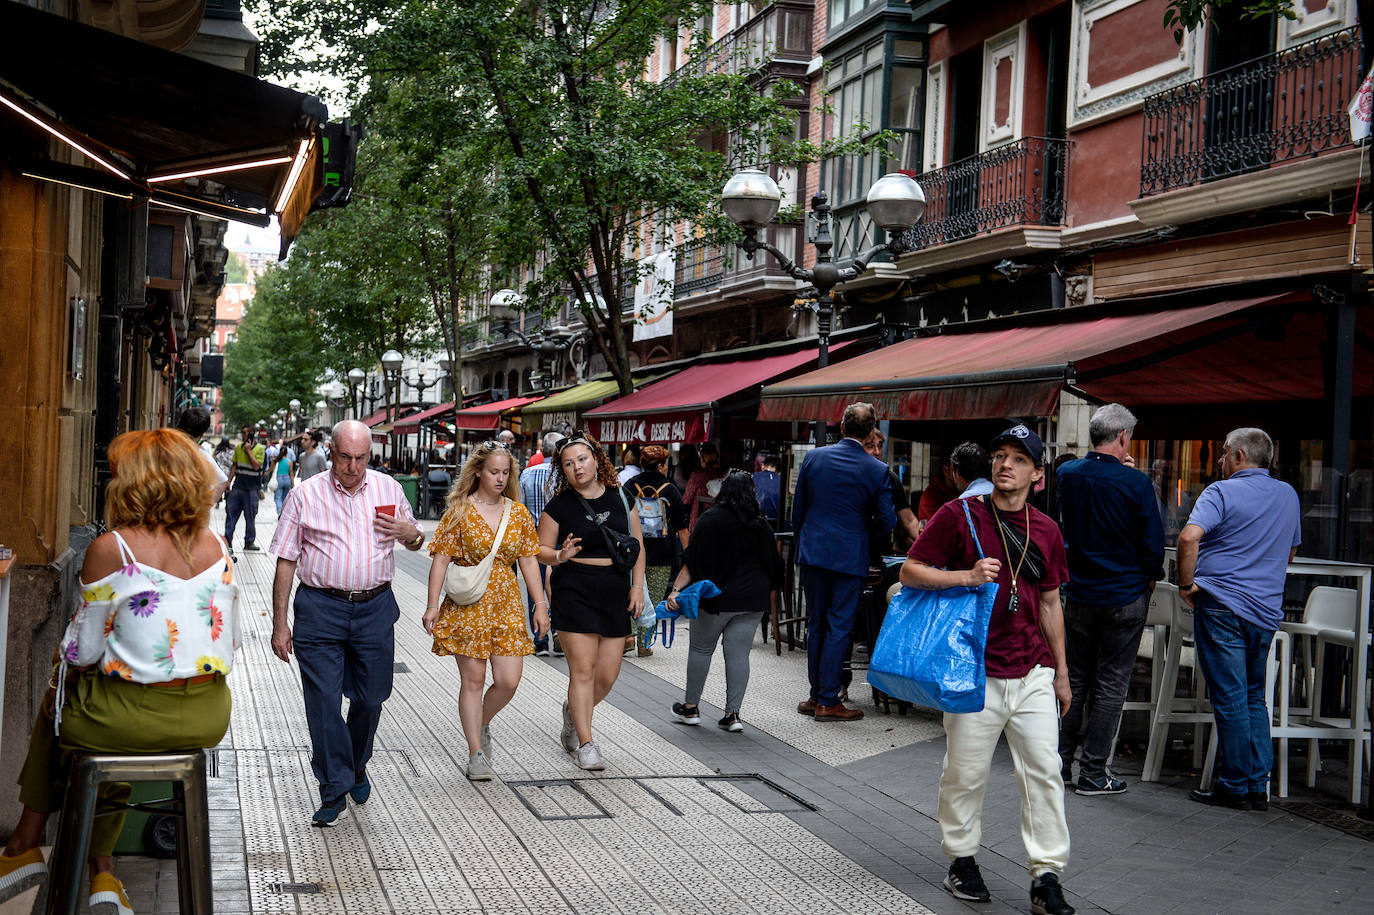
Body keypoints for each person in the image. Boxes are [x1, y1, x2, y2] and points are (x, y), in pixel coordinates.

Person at [0, 429, 238, 912]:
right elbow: (227, 641)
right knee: (101, 712)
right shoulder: (218, 546)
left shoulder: (115, 548)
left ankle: (28, 845)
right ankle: (100, 874)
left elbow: (80, 652)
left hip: (125, 719)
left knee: (67, 693)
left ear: (136, 482)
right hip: (207, 715)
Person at [901, 424, 1074, 915]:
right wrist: (966, 576)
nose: (1005, 465)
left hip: (1033, 669)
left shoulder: (1047, 530)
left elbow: (1050, 603)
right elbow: (910, 570)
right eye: (1000, 455)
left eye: (1019, 459)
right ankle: (961, 859)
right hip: (971, 671)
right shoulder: (960, 516)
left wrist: (1061, 672)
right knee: (965, 773)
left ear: (1037, 475)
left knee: (1044, 770)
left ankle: (1046, 876)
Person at [268, 420, 427, 826]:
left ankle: (357, 764)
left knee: (371, 697)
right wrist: (280, 623)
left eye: (361, 458)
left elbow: (414, 540)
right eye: (345, 457)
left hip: (374, 608)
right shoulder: (305, 495)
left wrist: (412, 533)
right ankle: (333, 785)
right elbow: (286, 559)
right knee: (322, 701)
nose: (353, 466)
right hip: (320, 608)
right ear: (332, 452)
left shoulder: (389, 489)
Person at [1177, 427, 1299, 810]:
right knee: (1252, 697)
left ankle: (1234, 785)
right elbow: (1290, 554)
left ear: (1240, 457)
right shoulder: (1288, 495)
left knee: (1230, 697)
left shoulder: (1220, 492)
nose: (1220, 460)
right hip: (1264, 611)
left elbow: (1188, 538)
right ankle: (1255, 787)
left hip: (1222, 606)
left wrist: (1186, 584)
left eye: (1224, 453)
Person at [1056, 404, 1164, 795]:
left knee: (1076, 679)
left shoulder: (1066, 474)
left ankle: (1058, 764)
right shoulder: (1136, 484)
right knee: (1111, 684)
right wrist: (1150, 579)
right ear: (1123, 438)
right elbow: (1153, 542)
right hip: (1124, 593)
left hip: (1080, 592)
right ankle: (1093, 772)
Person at [424, 441, 548, 781]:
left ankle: (482, 721)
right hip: (468, 605)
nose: (499, 477)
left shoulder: (518, 513)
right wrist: (432, 604)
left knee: (508, 681)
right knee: (474, 679)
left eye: (505, 472)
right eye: (493, 471)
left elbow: (528, 562)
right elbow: (441, 560)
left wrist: (540, 604)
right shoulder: (459, 511)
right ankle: (475, 751)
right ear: (478, 471)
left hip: (506, 605)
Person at [537, 431, 647, 770]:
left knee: (607, 675)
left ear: (596, 460)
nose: (576, 467)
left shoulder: (622, 497)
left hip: (614, 588)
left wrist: (637, 587)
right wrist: (560, 554)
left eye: (581, 460)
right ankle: (586, 743)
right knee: (582, 671)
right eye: (568, 464)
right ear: (563, 470)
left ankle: (573, 712)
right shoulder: (559, 505)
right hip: (574, 587)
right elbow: (539, 551)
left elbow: (637, 543)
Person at [792, 402, 895, 721]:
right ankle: (827, 699)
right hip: (850, 556)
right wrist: (862, 534)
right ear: (870, 431)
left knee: (817, 623)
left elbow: (798, 510)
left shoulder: (814, 458)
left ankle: (815, 696)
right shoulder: (877, 469)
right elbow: (888, 520)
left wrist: (805, 541)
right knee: (839, 626)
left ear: (841, 426)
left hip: (813, 552)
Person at [668, 471, 783, 732]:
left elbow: (692, 560)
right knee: (739, 654)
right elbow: (775, 566)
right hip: (752, 599)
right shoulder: (760, 523)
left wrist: (675, 590)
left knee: (701, 649)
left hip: (716, 597)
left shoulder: (710, 520)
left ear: (723, 491)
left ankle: (691, 708)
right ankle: (733, 715)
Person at [627, 445, 690, 657]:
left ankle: (628, 636)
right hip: (662, 553)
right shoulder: (670, 489)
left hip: (633, 552)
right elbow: (682, 528)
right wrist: (688, 556)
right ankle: (644, 644)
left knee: (631, 592)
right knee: (652, 599)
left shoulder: (629, 486)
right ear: (662, 465)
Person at [520, 431, 565, 655]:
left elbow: (520, 507)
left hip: (533, 538)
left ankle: (539, 641)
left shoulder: (527, 475)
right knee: (559, 583)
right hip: (558, 537)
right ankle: (558, 629)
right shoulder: (563, 475)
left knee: (534, 585)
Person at [863, 428, 920, 548]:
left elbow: (909, 520)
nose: (877, 452)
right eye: (870, 446)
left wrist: (924, 544)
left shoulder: (890, 478)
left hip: (881, 552)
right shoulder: (850, 476)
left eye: (880, 446)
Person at [225, 425, 265, 554]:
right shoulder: (238, 448)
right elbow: (234, 466)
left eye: (245, 433)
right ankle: (227, 541)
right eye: (242, 433)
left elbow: (256, 466)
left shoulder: (259, 449)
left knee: (250, 516)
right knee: (231, 515)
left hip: (252, 489)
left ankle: (249, 541)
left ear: (251, 434)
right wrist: (229, 481)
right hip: (238, 487)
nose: (243, 435)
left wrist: (248, 451)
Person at [175, 406, 228, 502]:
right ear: (202, 434)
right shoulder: (201, 455)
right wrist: (203, 509)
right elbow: (222, 481)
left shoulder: (161, 446)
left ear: (179, 425)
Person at [682, 443, 725, 531]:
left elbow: (686, 500)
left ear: (704, 459)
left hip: (699, 521)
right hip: (719, 519)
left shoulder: (696, 476)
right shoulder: (722, 474)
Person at [752, 454, 782, 525]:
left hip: (755, 521)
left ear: (763, 466)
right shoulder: (782, 481)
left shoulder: (753, 477)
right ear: (779, 471)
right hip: (775, 523)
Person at [272, 443, 295, 516]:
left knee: (278, 497)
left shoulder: (277, 461)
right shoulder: (289, 461)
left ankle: (279, 512)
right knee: (285, 498)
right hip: (287, 479)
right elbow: (291, 473)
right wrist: (293, 483)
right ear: (287, 453)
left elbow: (271, 470)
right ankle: (284, 512)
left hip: (279, 480)